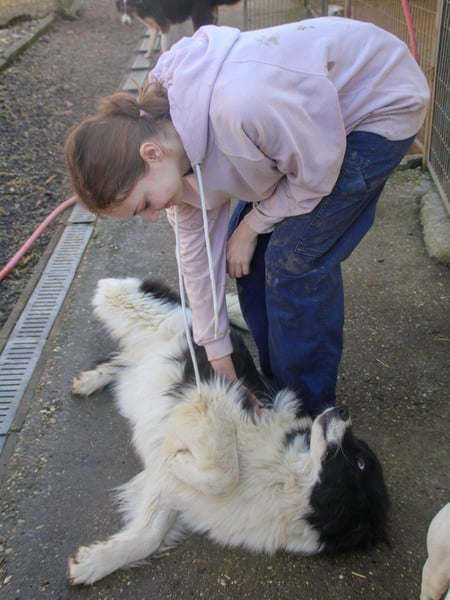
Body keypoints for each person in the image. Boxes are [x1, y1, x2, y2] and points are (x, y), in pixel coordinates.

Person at [64, 17, 429, 416]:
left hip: (376, 105)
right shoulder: (166, 142)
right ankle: (279, 387)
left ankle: (307, 414)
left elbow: (315, 176)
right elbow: (198, 259)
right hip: (304, 131)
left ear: (151, 154)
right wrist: (221, 361)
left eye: (145, 204)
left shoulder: (242, 107)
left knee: (294, 263)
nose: (153, 217)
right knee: (250, 262)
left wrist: (250, 227)